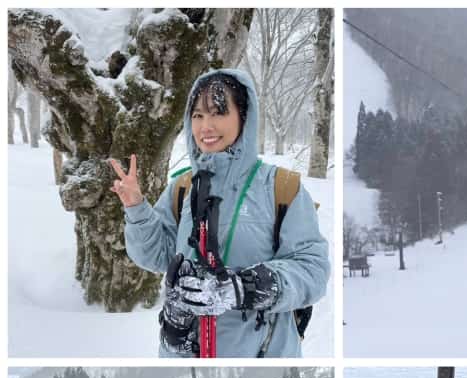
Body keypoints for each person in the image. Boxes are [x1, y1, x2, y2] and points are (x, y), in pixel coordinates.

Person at [110, 69, 330, 358]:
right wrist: (137, 208)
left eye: (218, 113)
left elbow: (313, 270)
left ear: (244, 116)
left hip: (259, 361)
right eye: (198, 115)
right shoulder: (183, 187)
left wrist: (245, 288)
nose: (206, 126)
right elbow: (157, 256)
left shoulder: (281, 188)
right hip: (184, 359)